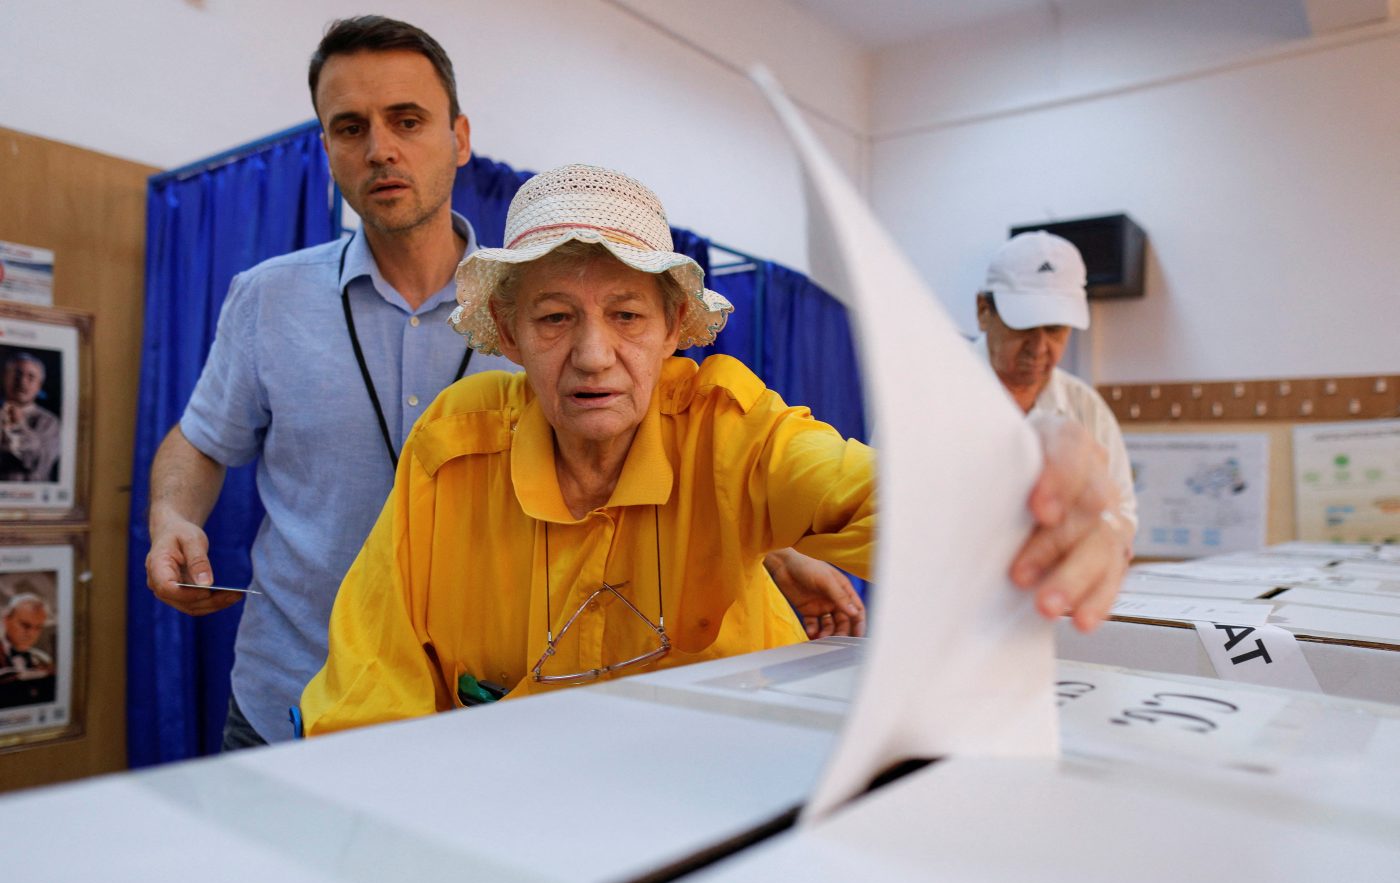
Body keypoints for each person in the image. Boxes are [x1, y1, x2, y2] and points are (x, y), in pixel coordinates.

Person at [143, 16, 860, 750]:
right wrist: (171, 518)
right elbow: (201, 439)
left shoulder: (546, 281)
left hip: (505, 698)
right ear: (325, 148)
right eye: (350, 127)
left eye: (407, 120)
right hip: (297, 684)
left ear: (459, 138)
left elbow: (683, 457)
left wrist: (765, 538)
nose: (381, 147)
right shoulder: (269, 298)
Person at [301, 164, 1130, 735]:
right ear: (511, 335)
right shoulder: (450, 450)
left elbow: (886, 497)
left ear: (671, 335)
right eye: (555, 317)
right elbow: (366, 697)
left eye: (627, 315)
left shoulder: (727, 425)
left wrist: (1023, 481)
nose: (594, 354)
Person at [975, 230, 1137, 533]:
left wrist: (1104, 539)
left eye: (1054, 330)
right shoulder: (931, 395)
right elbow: (879, 507)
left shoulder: (1085, 408)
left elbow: (1122, 510)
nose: (1038, 348)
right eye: (1023, 326)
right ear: (984, 312)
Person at [0, 351, 61, 482]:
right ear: (5, 378)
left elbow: (40, 463)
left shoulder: (49, 422)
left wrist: (19, 425)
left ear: (39, 386)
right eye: (17, 374)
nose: (22, 381)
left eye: (31, 377)